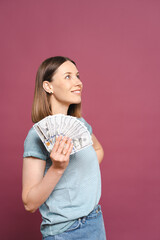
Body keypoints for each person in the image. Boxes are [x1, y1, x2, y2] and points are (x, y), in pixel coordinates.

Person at [22, 56, 107, 240]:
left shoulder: (80, 124)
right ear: (48, 86)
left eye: (77, 76)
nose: (78, 82)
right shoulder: (36, 136)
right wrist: (58, 169)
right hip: (66, 232)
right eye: (68, 76)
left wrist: (79, 176)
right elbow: (30, 203)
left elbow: (98, 151)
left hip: (95, 221)